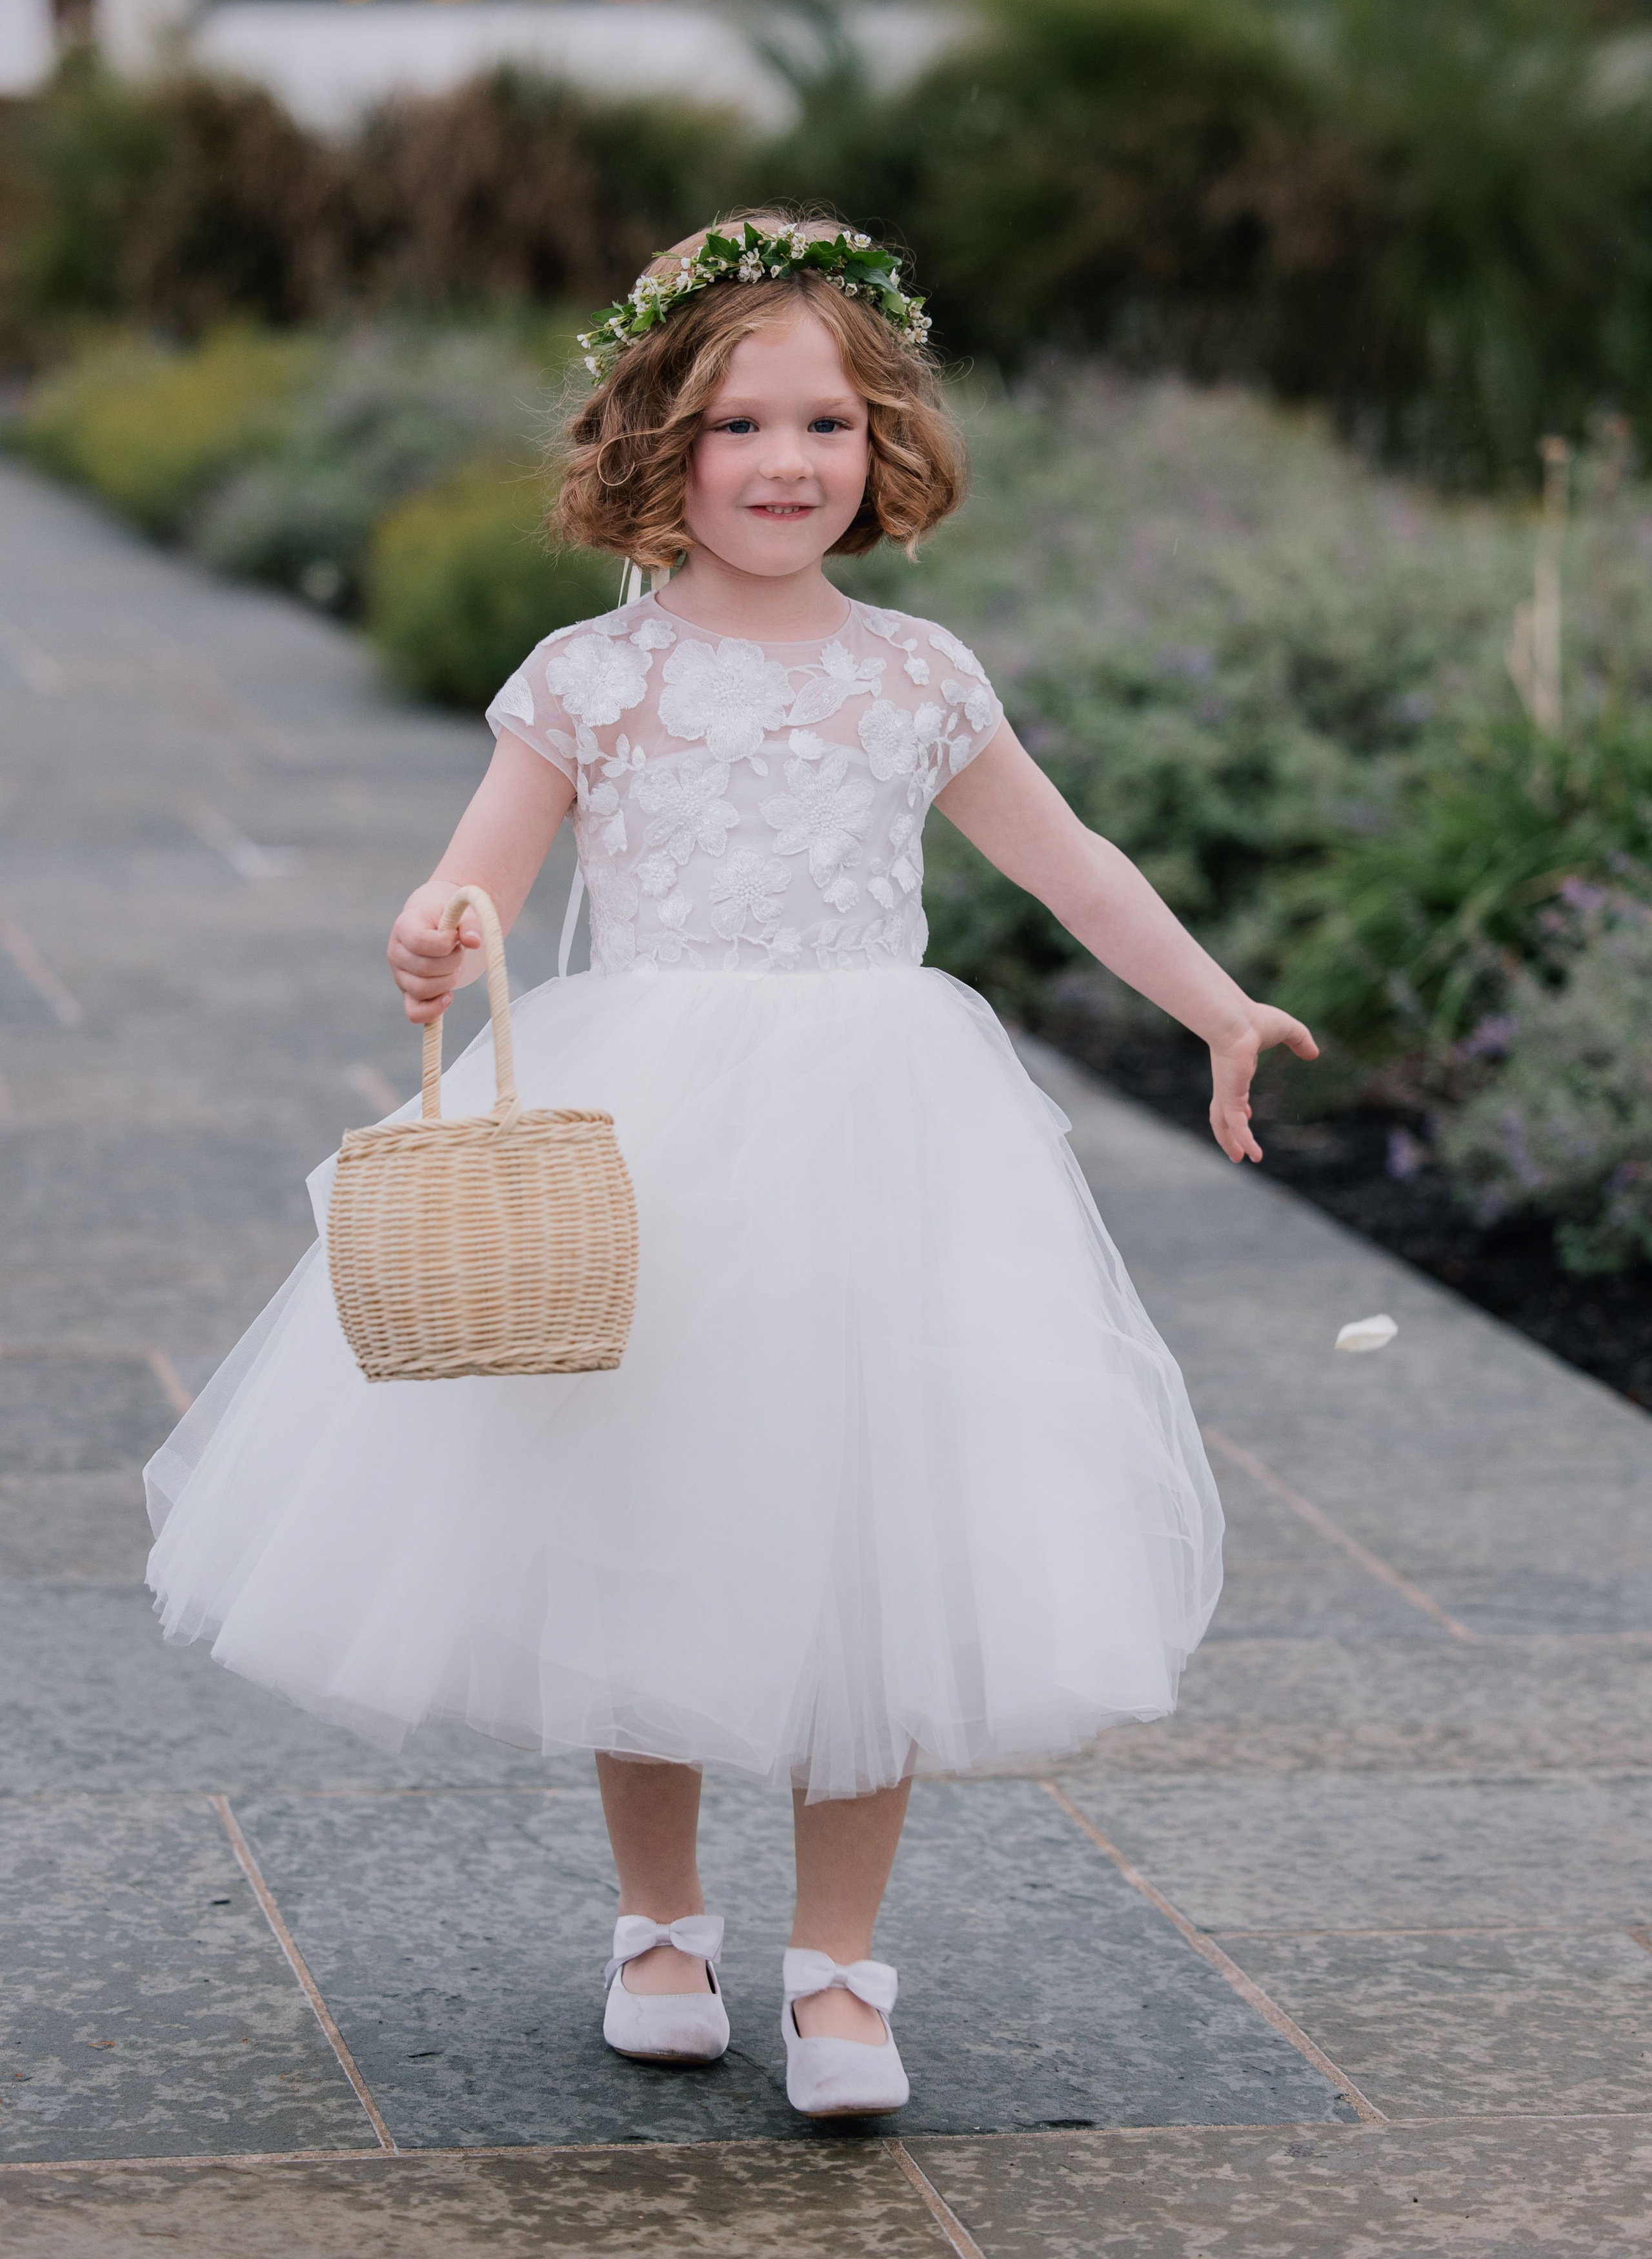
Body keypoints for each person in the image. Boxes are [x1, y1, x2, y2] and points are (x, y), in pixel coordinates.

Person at [144, 213, 1316, 2120]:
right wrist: (436, 932)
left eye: (829, 425)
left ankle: (840, 1969)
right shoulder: (592, 679)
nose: (788, 464)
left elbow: (1070, 857)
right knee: (654, 1519)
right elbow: (483, 876)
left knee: (874, 1539)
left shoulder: (917, 674)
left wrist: (1217, 1002)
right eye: (740, 424)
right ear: (652, 443)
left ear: (885, 447)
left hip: (883, 1140)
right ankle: (663, 1919)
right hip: (656, 1145)